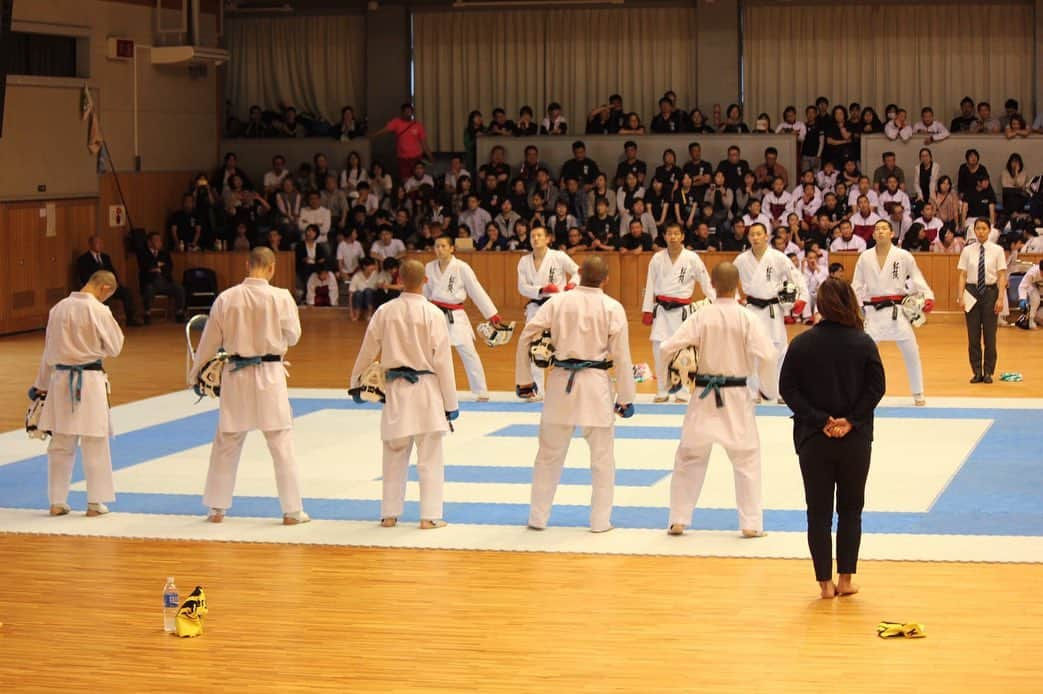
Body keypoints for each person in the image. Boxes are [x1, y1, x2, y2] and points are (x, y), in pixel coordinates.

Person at [780, 278, 886, 599]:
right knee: (851, 509)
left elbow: (787, 389)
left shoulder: (801, 343)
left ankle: (824, 584)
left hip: (814, 438)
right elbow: (876, 388)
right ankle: (845, 579)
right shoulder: (864, 342)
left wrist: (819, 419)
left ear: (821, 305)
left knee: (818, 511)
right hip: (854, 439)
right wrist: (851, 421)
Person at [514, 256, 635, 533]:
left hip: (559, 384)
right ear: (606, 279)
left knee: (548, 455)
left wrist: (524, 380)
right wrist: (626, 397)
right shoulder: (612, 307)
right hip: (595, 386)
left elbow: (526, 335)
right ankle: (600, 522)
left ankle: (537, 518)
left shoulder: (558, 302)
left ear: (578, 273)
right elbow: (622, 358)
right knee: (602, 459)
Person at [189, 248, 309, 525]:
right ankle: (292, 511)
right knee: (280, 442)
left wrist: (196, 373)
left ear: (247, 264)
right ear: (272, 268)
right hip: (269, 374)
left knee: (227, 441)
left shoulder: (226, 298)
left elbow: (208, 341)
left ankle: (216, 509)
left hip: (235, 374)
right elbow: (293, 337)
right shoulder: (281, 298)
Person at [660, 261, 777, 538]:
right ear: (739, 286)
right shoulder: (748, 318)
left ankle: (678, 518)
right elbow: (769, 356)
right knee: (746, 458)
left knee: (689, 456)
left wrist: (671, 382)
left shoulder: (702, 316)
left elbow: (667, 347)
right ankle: (751, 524)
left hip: (702, 394)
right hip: (736, 395)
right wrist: (768, 391)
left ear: (711, 284)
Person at [349, 259, 458, 530]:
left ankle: (389, 514)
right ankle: (429, 516)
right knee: (430, 457)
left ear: (399, 279)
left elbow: (367, 349)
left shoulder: (385, 311)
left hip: (396, 390)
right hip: (427, 390)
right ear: (425, 281)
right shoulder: (433, 314)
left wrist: (355, 382)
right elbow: (443, 362)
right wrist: (451, 402)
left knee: (394, 453)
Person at [31, 271, 125, 517]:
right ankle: (95, 503)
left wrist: (40, 385)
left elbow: (48, 350)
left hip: (59, 379)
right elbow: (115, 347)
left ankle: (56, 501)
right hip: (90, 380)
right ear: (105, 288)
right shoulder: (99, 311)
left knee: (61, 442)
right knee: (94, 440)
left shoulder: (58, 308)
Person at [852, 220, 934, 406]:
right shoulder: (865, 257)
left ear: (891, 234)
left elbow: (917, 277)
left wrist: (928, 296)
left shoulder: (903, 256)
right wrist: (856, 308)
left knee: (912, 352)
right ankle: (857, 393)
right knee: (861, 355)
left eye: (884, 228)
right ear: (873, 235)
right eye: (877, 229)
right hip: (873, 313)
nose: (880, 231)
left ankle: (918, 392)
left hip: (897, 313)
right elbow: (856, 285)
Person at [640, 223, 716, 403]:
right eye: (669, 234)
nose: (673, 237)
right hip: (661, 312)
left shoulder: (692, 258)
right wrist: (647, 310)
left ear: (682, 236)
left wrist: (716, 302)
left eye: (676, 234)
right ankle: (662, 389)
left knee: (684, 353)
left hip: (682, 312)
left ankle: (683, 388)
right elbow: (650, 284)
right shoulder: (657, 259)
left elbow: (705, 282)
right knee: (659, 350)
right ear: (664, 236)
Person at [425, 236, 504, 401]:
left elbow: (476, 290)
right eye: (437, 246)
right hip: (435, 315)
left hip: (456, 315)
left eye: (443, 246)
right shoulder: (429, 267)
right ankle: (435, 390)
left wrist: (491, 313)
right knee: (434, 355)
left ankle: (481, 390)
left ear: (451, 248)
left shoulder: (461, 267)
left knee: (468, 352)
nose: (439, 249)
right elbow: (425, 293)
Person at [734, 223, 808, 402]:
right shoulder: (741, 260)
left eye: (759, 234)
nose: (755, 237)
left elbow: (795, 277)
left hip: (773, 309)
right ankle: (752, 392)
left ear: (766, 236)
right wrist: (735, 299)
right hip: (751, 308)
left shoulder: (778, 257)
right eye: (752, 234)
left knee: (779, 349)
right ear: (748, 237)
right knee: (750, 350)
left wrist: (802, 298)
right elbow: (730, 280)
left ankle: (779, 390)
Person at [516, 227, 579, 396]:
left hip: (557, 305)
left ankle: (566, 389)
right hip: (536, 306)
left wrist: (572, 284)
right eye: (533, 236)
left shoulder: (558, 256)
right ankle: (537, 389)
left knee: (562, 345)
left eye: (539, 235)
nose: (535, 238)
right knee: (535, 347)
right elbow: (521, 287)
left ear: (548, 238)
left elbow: (577, 272)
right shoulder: (524, 261)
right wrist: (541, 289)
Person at [957, 219, 1008, 383]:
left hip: (990, 292)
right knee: (973, 336)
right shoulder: (967, 250)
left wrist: (1000, 298)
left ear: (989, 230)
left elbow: (1001, 275)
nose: (980, 232)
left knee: (989, 335)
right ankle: (977, 371)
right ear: (974, 230)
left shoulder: (997, 250)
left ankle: (988, 372)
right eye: (978, 228)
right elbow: (963, 275)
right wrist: (960, 295)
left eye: (984, 228)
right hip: (971, 292)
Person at [76, 235, 142, 326]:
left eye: (101, 243)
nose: (100, 245)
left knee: (126, 292)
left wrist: (116, 282)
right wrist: (97, 286)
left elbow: (112, 272)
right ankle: (105, 322)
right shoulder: (83, 259)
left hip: (109, 286)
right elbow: (84, 277)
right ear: (90, 244)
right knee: (103, 297)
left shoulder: (105, 257)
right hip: (96, 289)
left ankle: (131, 318)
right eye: (97, 243)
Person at [371, 103, 434, 182]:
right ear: (402, 113)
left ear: (412, 112)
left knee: (418, 177)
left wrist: (430, 157)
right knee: (405, 179)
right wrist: (374, 135)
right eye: (406, 112)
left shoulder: (418, 125)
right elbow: (385, 130)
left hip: (416, 157)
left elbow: (424, 143)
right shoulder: (396, 122)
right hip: (403, 158)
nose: (408, 114)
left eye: (410, 112)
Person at [138, 232, 186, 323]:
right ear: (149, 242)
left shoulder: (164, 253)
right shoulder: (143, 253)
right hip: (150, 282)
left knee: (179, 288)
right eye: (156, 240)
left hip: (165, 281)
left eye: (160, 240)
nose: (159, 242)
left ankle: (179, 312)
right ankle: (147, 313)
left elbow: (169, 266)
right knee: (148, 290)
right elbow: (145, 266)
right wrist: (158, 264)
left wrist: (157, 268)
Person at [1017, 260, 1043, 330]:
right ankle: (1030, 320)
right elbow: (1023, 286)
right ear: (1040, 269)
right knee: (1036, 299)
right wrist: (1022, 299)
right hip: (1033, 285)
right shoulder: (1032, 272)